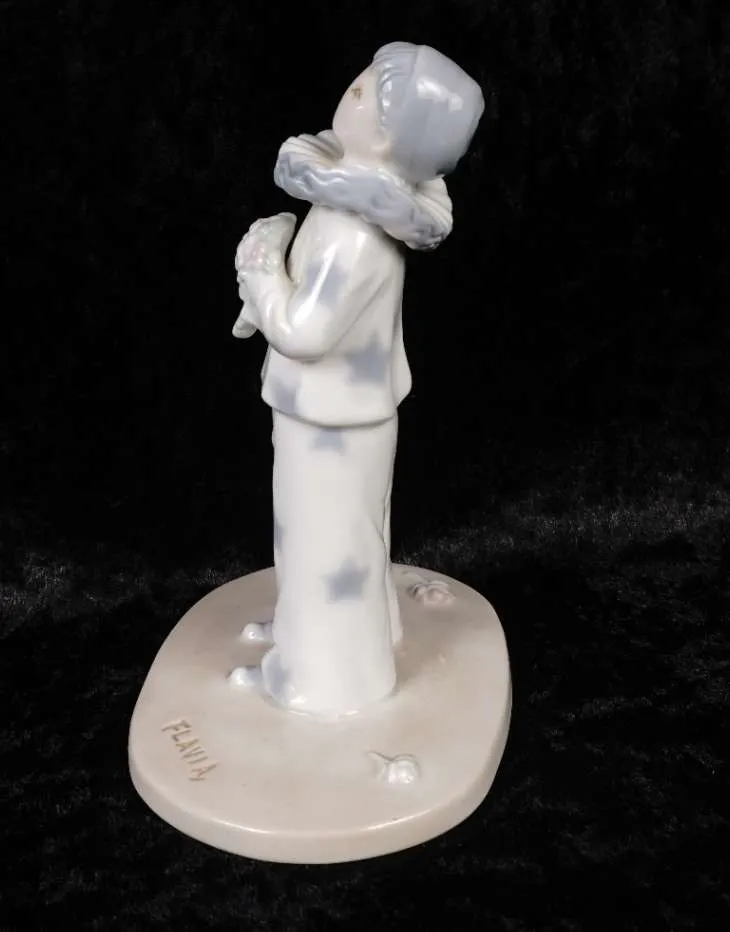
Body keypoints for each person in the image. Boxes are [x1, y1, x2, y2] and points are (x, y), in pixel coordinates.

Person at [231, 42, 484, 716]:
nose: (351, 87)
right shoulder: (355, 207)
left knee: (325, 543)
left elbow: (304, 332)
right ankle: (313, 634)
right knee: (333, 536)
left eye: (367, 90)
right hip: (339, 413)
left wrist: (260, 270)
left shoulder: (353, 232)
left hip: (330, 418)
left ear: (390, 137)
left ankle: (323, 679)